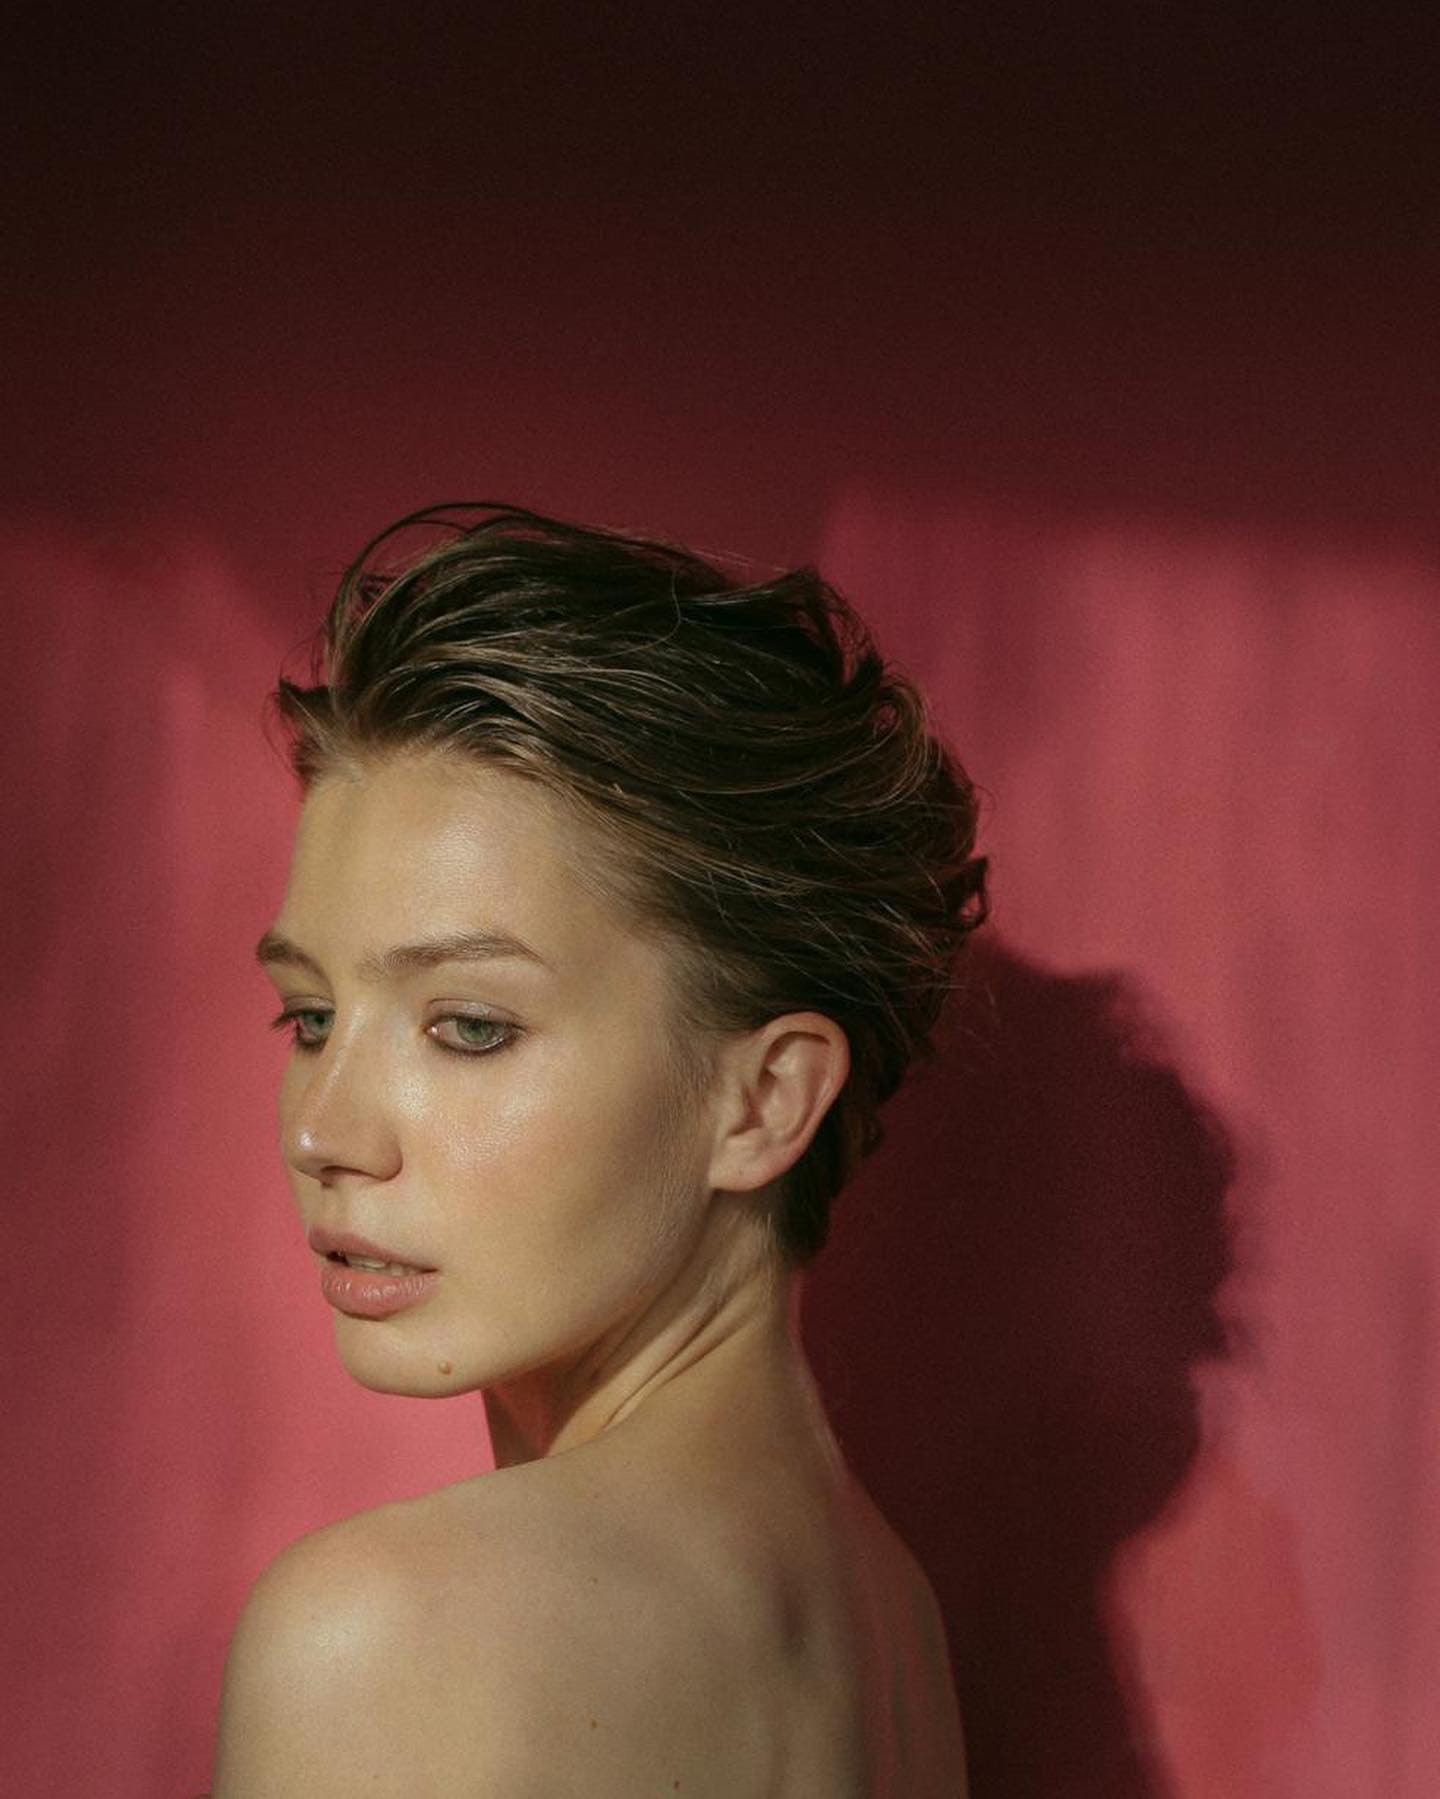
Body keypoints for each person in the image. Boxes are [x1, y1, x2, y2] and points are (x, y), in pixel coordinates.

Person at [210, 502, 989, 1797]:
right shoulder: (889, 1623)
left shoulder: (387, 1630)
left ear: (763, 1101)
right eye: (312, 1017)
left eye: (469, 1027)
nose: (322, 1132)